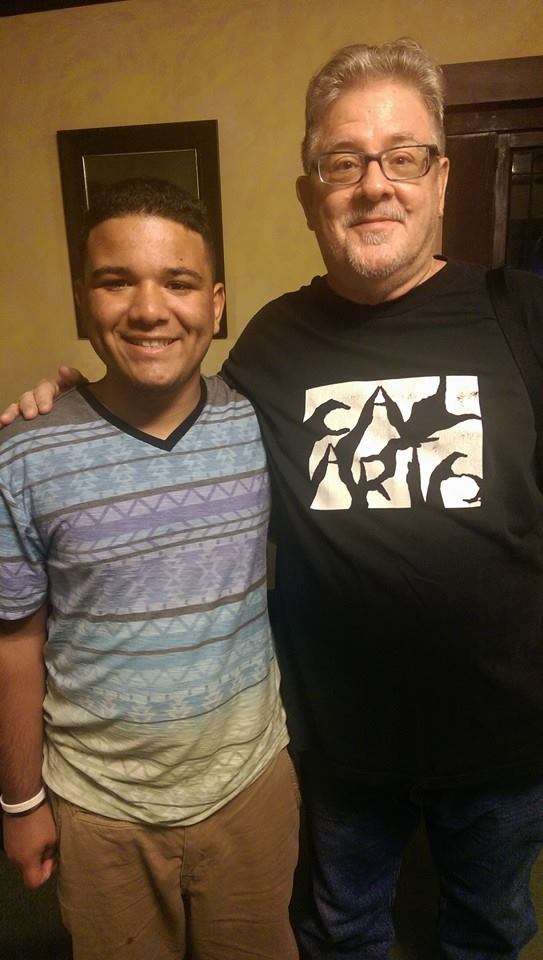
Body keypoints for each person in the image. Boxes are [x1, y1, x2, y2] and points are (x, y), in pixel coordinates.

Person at [4, 38, 543, 960]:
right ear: (308, 195)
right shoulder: (271, 343)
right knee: (339, 933)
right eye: (342, 162)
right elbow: (162, 405)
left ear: (441, 177)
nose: (374, 185)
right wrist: (60, 403)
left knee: (489, 932)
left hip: (505, 746)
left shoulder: (523, 315)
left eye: (402, 156)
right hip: (334, 749)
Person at [0, 178, 299, 960]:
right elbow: (15, 641)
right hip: (100, 809)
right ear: (83, 299)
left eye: (178, 282)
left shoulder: (261, 419)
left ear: (216, 303)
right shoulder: (25, 452)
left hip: (249, 788)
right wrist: (20, 801)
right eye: (115, 281)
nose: (148, 308)